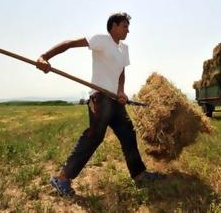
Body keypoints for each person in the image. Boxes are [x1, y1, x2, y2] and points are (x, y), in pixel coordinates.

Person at [36, 12, 159, 196]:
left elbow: (121, 72)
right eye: (125, 26)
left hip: (115, 100)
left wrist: (121, 91)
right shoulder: (101, 39)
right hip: (100, 97)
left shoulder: (124, 49)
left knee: (127, 133)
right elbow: (69, 44)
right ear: (114, 26)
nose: (128, 30)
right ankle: (62, 179)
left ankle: (140, 175)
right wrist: (44, 56)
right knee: (94, 137)